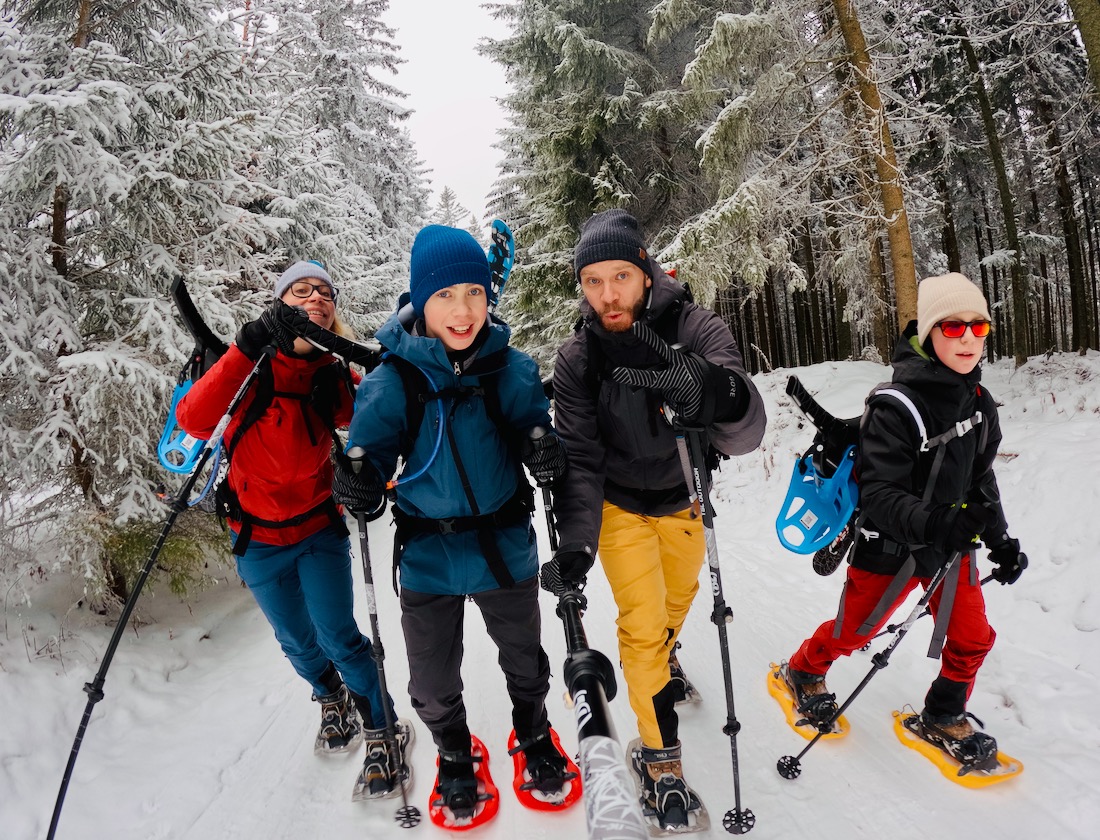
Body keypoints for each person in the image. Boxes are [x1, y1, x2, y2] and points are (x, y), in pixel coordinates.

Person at [331, 225, 574, 827]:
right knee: (432, 683)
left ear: (490, 296)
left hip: (504, 548)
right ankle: (454, 750)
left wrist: (543, 448)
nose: (462, 309)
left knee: (526, 662)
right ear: (421, 300)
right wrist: (360, 481)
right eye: (445, 295)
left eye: (474, 291)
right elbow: (373, 456)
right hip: (427, 556)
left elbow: (529, 428)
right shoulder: (393, 379)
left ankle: (533, 733)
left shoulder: (511, 369)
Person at [541, 209, 766, 829]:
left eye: (619, 275)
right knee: (642, 627)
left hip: (684, 500)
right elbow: (580, 461)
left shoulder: (694, 326)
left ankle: (663, 662)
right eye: (592, 281)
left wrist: (707, 388)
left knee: (675, 605)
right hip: (618, 508)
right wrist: (579, 548)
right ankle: (660, 754)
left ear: (645, 270)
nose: (608, 294)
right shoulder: (578, 358)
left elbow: (748, 429)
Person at [176, 261, 410, 799]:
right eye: (301, 290)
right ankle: (331, 701)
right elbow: (192, 419)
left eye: (325, 292)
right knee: (297, 642)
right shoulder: (250, 368)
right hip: (256, 539)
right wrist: (246, 345)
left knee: (341, 638)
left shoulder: (330, 374)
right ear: (280, 302)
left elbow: (382, 410)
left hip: (317, 531)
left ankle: (382, 727)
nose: (315, 298)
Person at [779, 271, 1027, 765]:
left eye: (979, 328)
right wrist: (938, 523)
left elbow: (980, 480)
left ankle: (942, 712)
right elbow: (880, 495)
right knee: (855, 633)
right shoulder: (896, 407)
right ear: (930, 332)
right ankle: (804, 670)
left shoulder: (979, 405)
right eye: (954, 328)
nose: (968, 339)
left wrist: (1000, 540)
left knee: (973, 637)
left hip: (949, 547)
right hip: (889, 544)